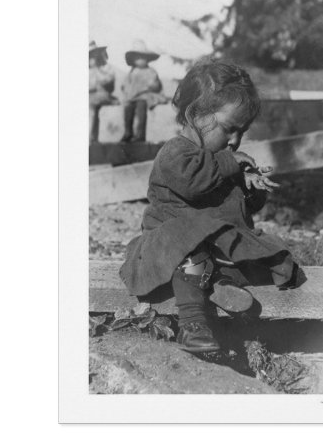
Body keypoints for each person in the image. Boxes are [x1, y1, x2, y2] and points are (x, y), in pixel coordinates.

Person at [119, 60, 303, 353]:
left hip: (210, 249)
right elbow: (193, 181)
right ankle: (193, 323)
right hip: (172, 246)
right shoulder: (176, 152)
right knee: (191, 249)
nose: (235, 141)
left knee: (271, 260)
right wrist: (231, 165)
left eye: (242, 132)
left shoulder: (219, 159)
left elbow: (236, 209)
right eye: (229, 129)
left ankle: (219, 284)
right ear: (196, 114)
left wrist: (251, 190)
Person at [121, 40, 167, 142]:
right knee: (128, 108)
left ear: (147, 59)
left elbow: (155, 85)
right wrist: (127, 90)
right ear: (133, 60)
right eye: (137, 58)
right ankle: (128, 132)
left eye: (143, 57)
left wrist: (146, 87)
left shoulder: (150, 71)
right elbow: (125, 84)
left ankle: (140, 135)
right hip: (133, 96)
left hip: (146, 95)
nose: (140, 60)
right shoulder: (132, 72)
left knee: (141, 107)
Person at [89, 41, 116, 144]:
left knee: (90, 106)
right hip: (90, 95)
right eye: (90, 55)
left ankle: (90, 138)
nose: (93, 58)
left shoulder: (106, 67)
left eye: (94, 54)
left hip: (102, 94)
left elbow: (108, 81)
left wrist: (96, 70)